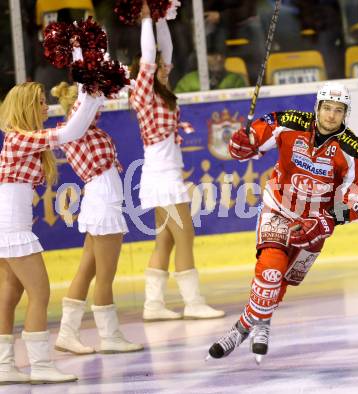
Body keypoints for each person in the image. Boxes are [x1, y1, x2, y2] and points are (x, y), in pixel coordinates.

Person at [207, 82, 358, 363]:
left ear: (345, 113)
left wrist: (325, 221)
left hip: (316, 222)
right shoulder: (288, 122)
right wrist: (241, 145)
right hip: (280, 208)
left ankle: (260, 321)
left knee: (283, 280)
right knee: (271, 269)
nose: (331, 115)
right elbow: (251, 141)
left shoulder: (356, 150)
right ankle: (240, 331)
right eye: (327, 108)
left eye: (338, 110)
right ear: (317, 107)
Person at [0, 82, 103, 384]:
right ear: (27, 106)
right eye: (41, 102)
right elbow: (70, 132)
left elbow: (71, 131)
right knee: (39, 292)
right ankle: (41, 364)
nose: (46, 107)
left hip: (9, 224)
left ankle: (5, 366)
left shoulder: (21, 139)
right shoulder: (20, 139)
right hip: (10, 227)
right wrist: (89, 95)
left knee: (9, 295)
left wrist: (91, 99)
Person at [130, 2, 225, 321]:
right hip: (162, 176)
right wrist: (145, 20)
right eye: (157, 67)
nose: (163, 67)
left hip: (163, 174)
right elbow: (148, 57)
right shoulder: (142, 94)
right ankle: (193, 302)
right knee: (185, 235)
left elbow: (164, 51)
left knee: (166, 239)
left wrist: (161, 18)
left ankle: (153, 305)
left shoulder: (163, 89)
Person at [52, 45, 143, 355]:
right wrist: (79, 51)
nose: (97, 107)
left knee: (88, 270)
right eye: (91, 103)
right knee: (105, 276)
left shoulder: (83, 126)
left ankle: (67, 333)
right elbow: (86, 94)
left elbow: (90, 94)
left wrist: (88, 50)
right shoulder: (74, 125)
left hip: (101, 199)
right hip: (102, 201)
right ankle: (109, 336)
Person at [174, 39, 247, 93]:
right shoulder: (187, 81)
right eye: (213, 54)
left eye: (222, 53)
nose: (219, 58)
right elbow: (175, 106)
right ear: (201, 56)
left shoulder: (236, 80)